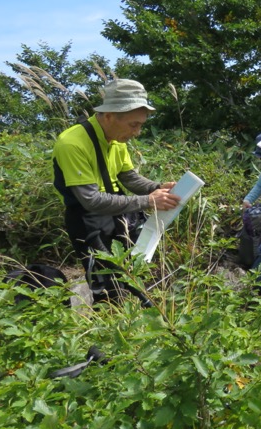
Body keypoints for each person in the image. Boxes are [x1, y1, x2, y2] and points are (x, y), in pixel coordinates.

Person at [52, 79, 181, 304]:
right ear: (109, 115)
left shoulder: (116, 139)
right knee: (107, 287)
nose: (138, 132)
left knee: (135, 274)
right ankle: (111, 331)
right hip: (89, 222)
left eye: (140, 124)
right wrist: (148, 201)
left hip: (121, 214)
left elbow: (128, 177)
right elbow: (91, 200)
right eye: (133, 125)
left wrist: (157, 188)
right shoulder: (72, 143)